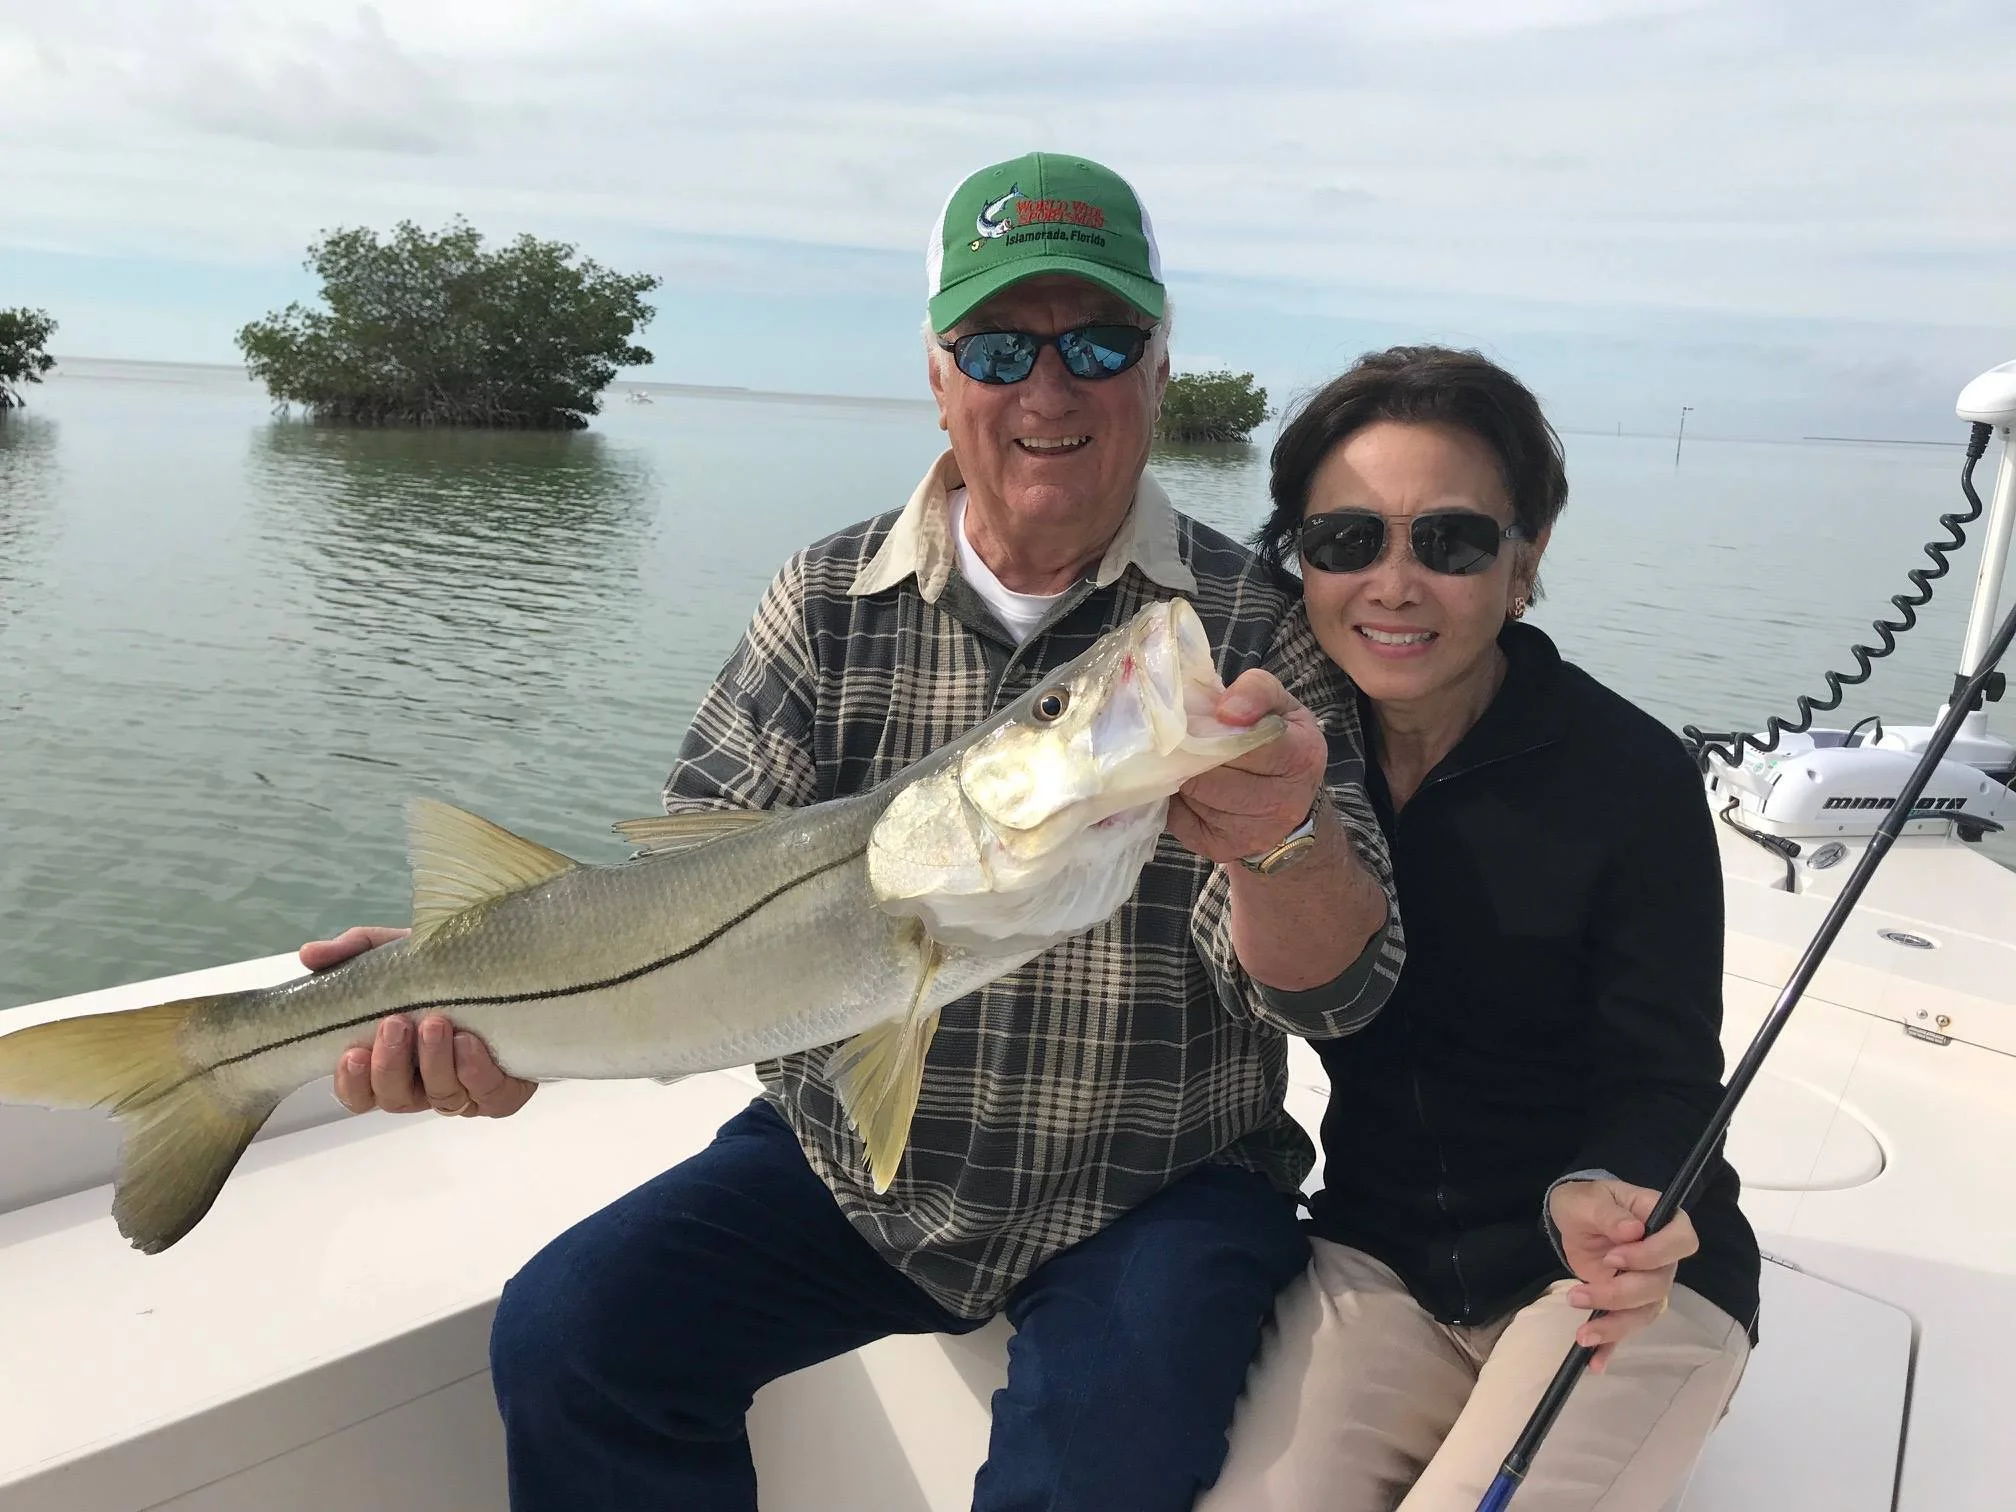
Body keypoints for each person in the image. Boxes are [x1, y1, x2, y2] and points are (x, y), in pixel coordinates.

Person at [300, 151, 1403, 1512]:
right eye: (999, 347)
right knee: (574, 1339)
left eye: (1099, 342)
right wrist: (504, 1004)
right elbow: (694, 901)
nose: (1047, 389)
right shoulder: (824, 597)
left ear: (1162, 368)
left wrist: (1281, 839)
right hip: (853, 1167)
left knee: (1091, 1485)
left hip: (1158, 1177)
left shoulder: (1252, 632)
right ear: (938, 377)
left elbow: (1338, 995)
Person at [1196, 346, 1760, 1512]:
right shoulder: (1274, 758)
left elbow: (1665, 1073)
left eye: (1448, 540)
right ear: (1300, 559)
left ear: (1526, 557)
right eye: (1347, 540)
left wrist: (1612, 1190)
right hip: (1378, 1260)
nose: (1394, 584)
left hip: (1611, 1284)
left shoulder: (1634, 776)